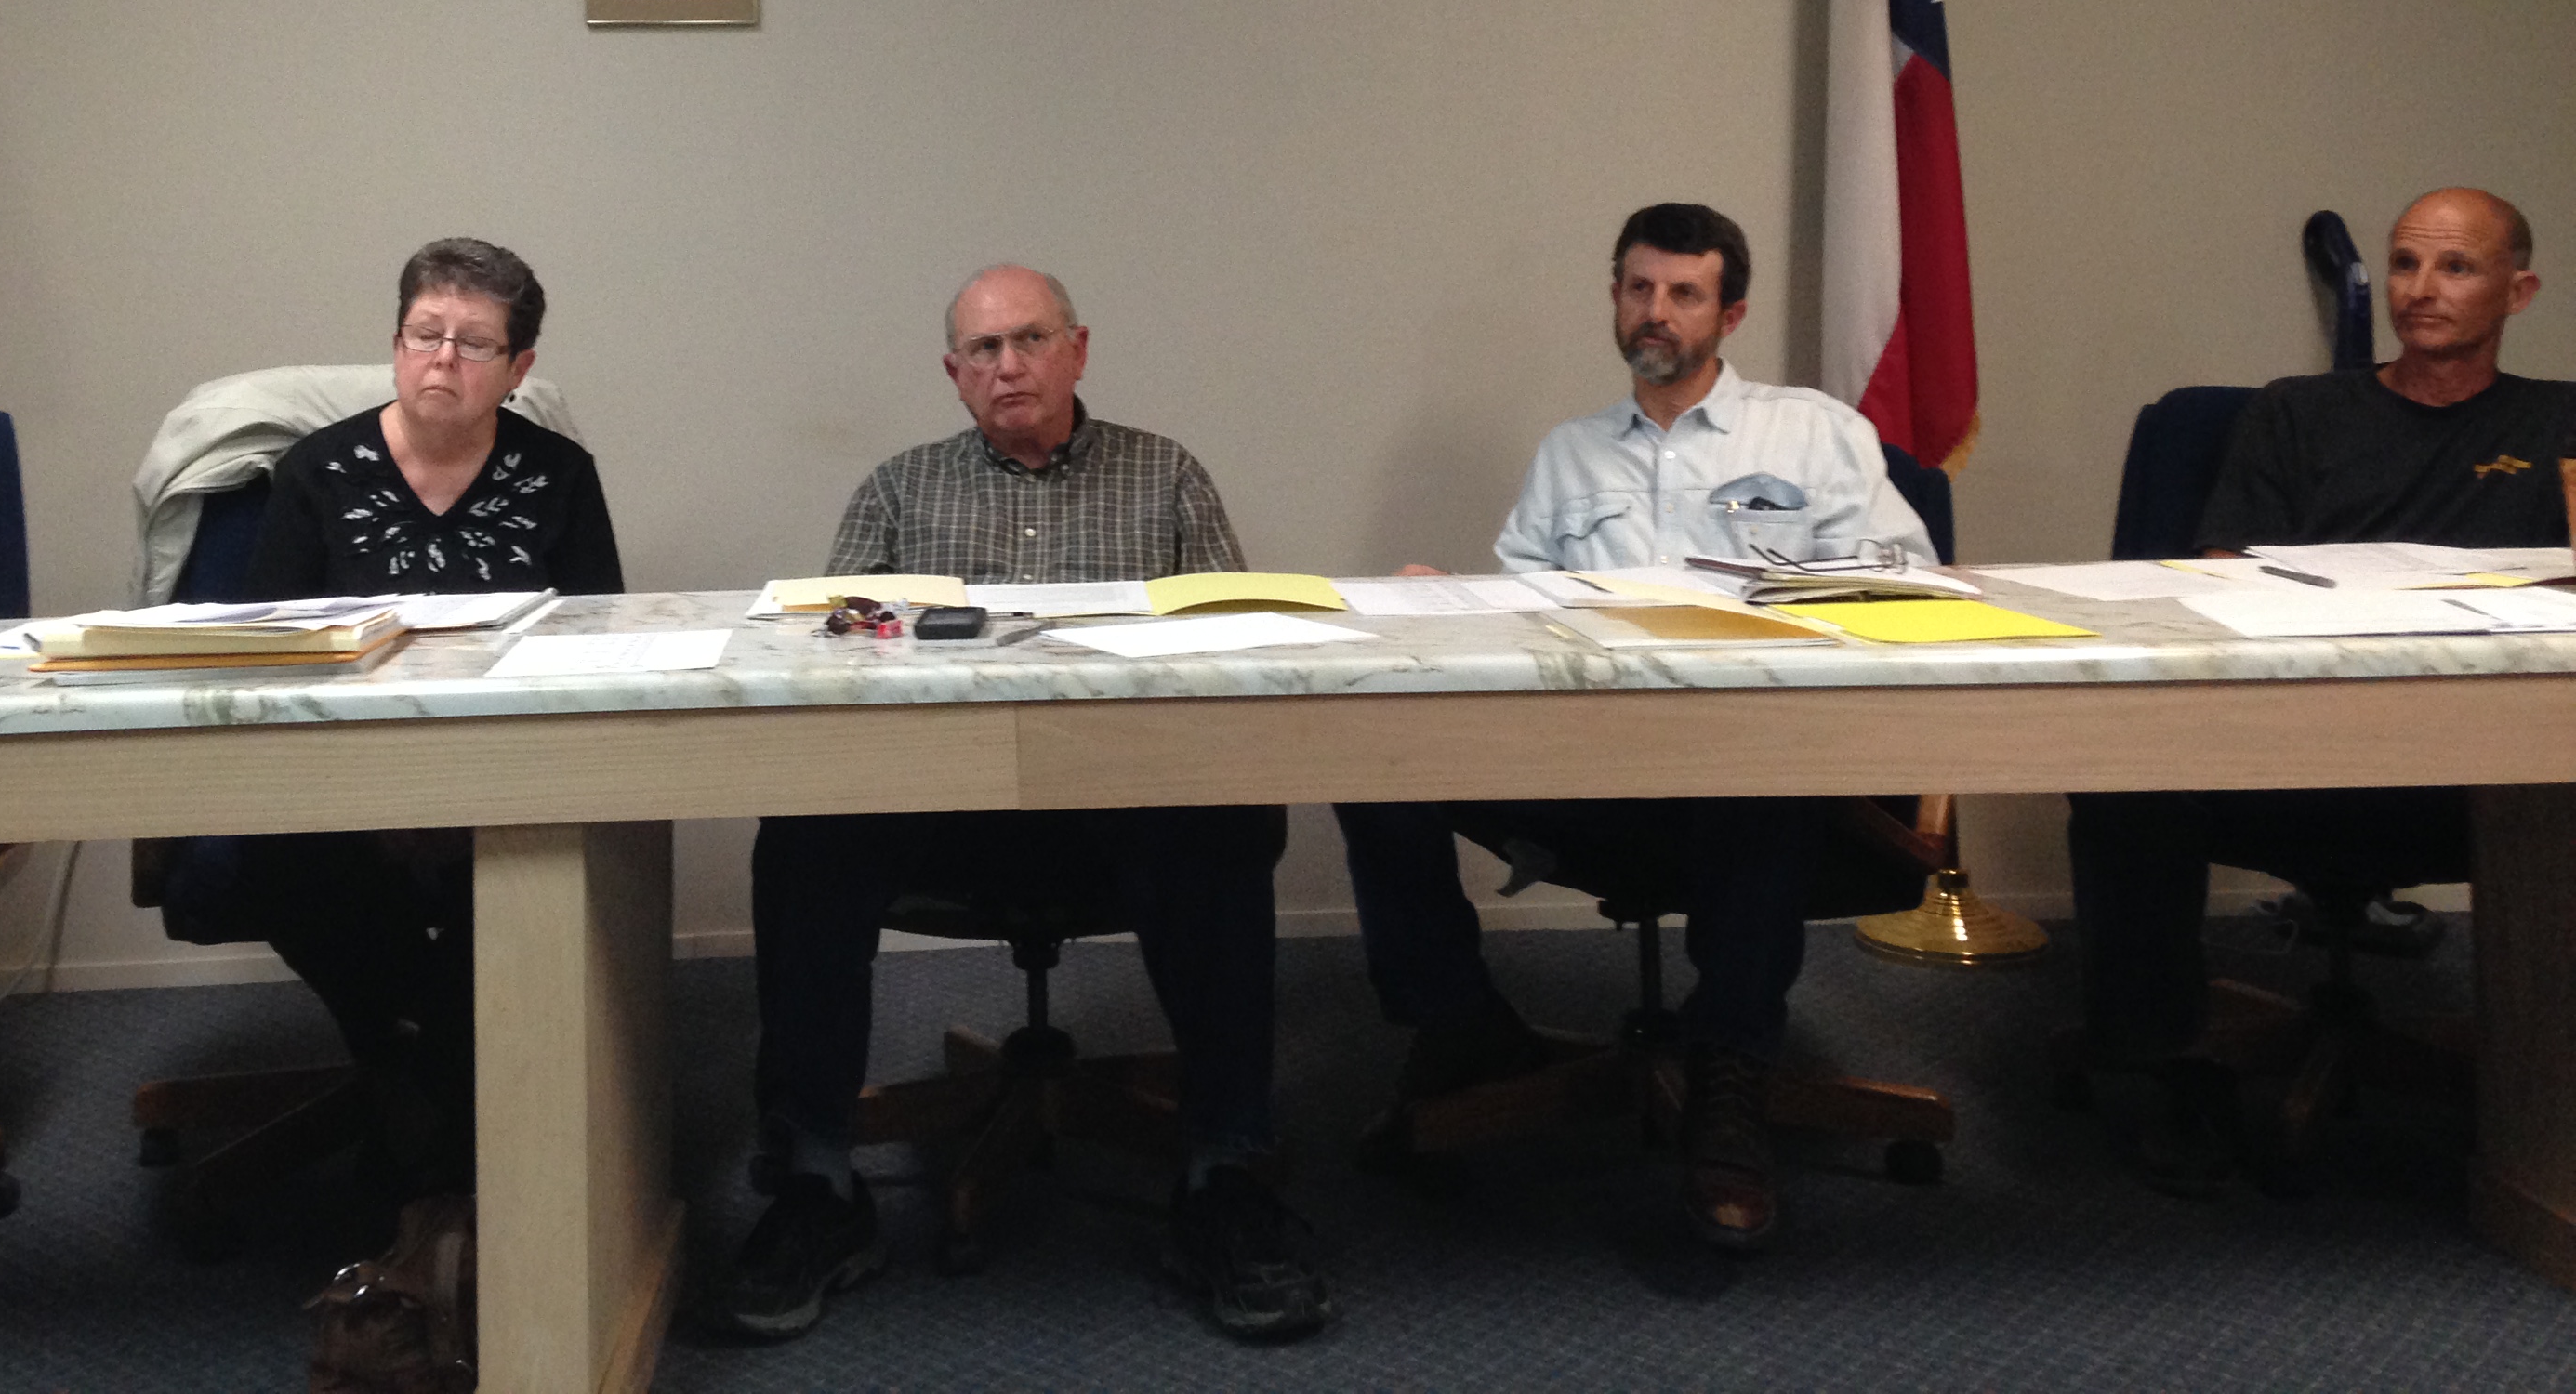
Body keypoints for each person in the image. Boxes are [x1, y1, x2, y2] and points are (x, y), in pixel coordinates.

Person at [724, 264, 1329, 1345]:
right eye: (984, 352)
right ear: (955, 375)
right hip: (942, 815)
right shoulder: (900, 488)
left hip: (1127, 804)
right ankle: (817, 1181)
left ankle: (1224, 1175)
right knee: (805, 835)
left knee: (1224, 818)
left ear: (1079, 350)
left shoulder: (1166, 476)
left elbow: (1237, 654)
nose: (1009, 367)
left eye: (1031, 341)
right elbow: (825, 663)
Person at [1334, 202, 1933, 1251]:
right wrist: (1448, 595)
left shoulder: (1812, 432)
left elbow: (1910, 577)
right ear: (1615, 298)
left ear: (1729, 313)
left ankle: (1734, 1073)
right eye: (1638, 288)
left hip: (1755, 761)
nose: (1657, 313)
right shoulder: (1571, 454)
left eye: (1684, 294)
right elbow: (1523, 611)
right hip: (1589, 768)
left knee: (1764, 779)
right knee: (1368, 762)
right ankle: (1462, 1026)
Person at [2068, 187, 2575, 1195]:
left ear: (2519, 290)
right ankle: (2168, 1062)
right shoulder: (2296, 412)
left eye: (2456, 268)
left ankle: (2544, 1085)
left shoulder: (2562, 421)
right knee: (2123, 781)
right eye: (2403, 264)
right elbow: (2216, 582)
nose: (2420, 291)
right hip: (2296, 744)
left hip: (2489, 758)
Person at [209, 237, 622, 1195]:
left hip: (508, 778)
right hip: (343, 781)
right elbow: (271, 653)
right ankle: (435, 1075)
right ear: (395, 344)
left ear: (518, 370)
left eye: (474, 345)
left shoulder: (560, 475)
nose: (443, 360)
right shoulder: (315, 472)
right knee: (281, 856)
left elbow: (602, 640)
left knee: (556, 854)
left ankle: (415, 1085)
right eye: (424, 335)